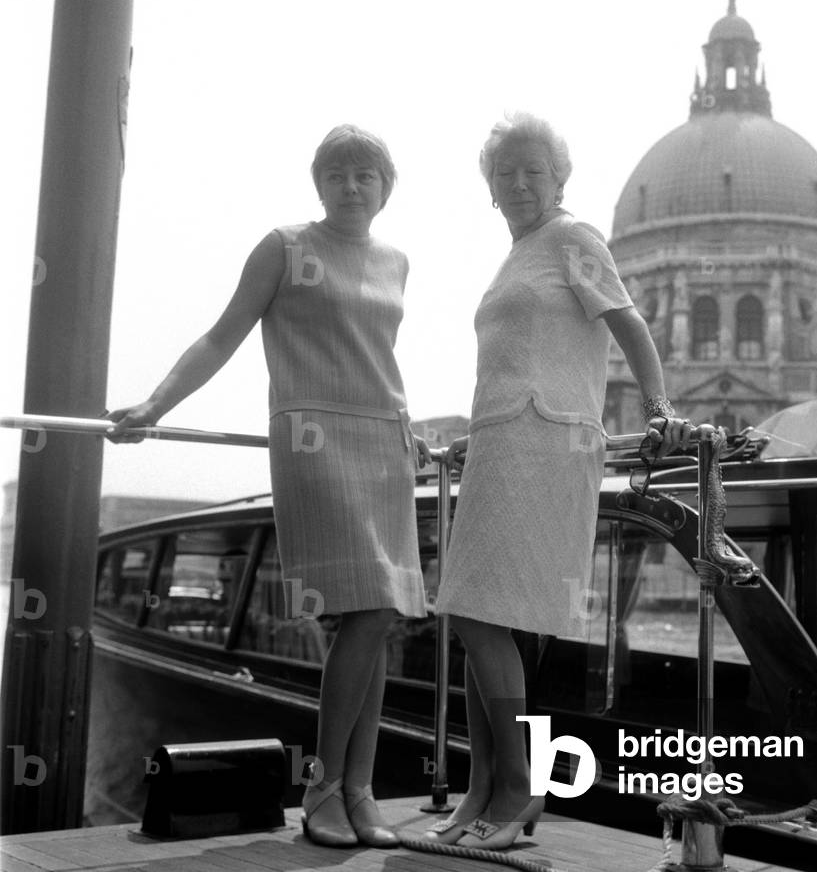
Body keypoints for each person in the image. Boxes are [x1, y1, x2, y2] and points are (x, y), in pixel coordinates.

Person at [107, 125, 427, 848]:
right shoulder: (283, 246)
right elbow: (222, 335)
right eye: (338, 173)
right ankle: (322, 788)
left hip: (386, 442)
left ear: (386, 187)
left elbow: (376, 356)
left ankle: (359, 788)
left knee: (378, 621)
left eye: (366, 174)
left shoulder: (398, 260)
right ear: (319, 183)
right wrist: (154, 406)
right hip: (314, 438)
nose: (352, 185)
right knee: (366, 614)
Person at [427, 113, 691, 851]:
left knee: (481, 614)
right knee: (477, 611)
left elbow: (630, 324)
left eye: (532, 170)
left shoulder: (573, 238)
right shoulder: (518, 254)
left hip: (545, 443)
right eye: (504, 172)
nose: (517, 182)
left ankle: (518, 787)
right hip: (500, 442)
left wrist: (661, 406)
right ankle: (483, 786)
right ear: (490, 190)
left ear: (559, 178)